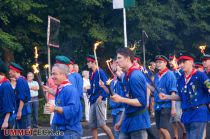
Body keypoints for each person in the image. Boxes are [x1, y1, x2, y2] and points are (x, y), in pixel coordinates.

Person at [159, 53, 210, 139]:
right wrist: (167, 96)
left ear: (191, 62)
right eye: (180, 62)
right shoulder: (180, 79)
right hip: (187, 114)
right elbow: (180, 96)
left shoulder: (201, 75)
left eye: (184, 62)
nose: (181, 64)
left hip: (199, 113)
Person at [111, 48, 151, 139]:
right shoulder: (126, 75)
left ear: (128, 58)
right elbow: (128, 102)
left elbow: (141, 102)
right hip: (127, 122)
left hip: (138, 123)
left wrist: (120, 99)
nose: (116, 61)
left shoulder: (135, 76)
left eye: (119, 58)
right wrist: (120, 121)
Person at [45, 63, 83, 138]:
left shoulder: (69, 89)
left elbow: (73, 109)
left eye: (54, 74)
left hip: (69, 131)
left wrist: (54, 108)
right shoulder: (61, 88)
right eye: (52, 74)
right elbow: (62, 98)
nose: (52, 77)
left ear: (63, 75)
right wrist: (49, 90)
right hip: (60, 129)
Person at [86, 54, 114, 139]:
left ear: (93, 62)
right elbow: (94, 88)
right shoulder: (92, 73)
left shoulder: (100, 72)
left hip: (99, 100)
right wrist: (88, 90)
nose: (87, 63)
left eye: (88, 62)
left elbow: (108, 86)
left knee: (102, 124)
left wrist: (102, 96)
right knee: (92, 125)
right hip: (93, 100)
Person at [99, 59, 125, 139]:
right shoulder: (113, 79)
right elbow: (110, 93)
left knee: (119, 133)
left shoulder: (123, 78)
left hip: (121, 109)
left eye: (116, 64)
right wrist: (103, 86)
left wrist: (117, 72)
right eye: (113, 64)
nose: (112, 66)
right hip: (114, 110)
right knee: (116, 132)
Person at [153, 55, 177, 139]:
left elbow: (173, 92)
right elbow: (154, 89)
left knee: (163, 128)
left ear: (165, 63)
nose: (158, 64)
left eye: (160, 62)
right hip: (157, 105)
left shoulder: (170, 74)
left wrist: (173, 107)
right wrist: (146, 83)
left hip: (166, 105)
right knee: (159, 128)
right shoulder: (156, 75)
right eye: (156, 62)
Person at [9, 62, 31, 139]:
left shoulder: (20, 81)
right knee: (20, 133)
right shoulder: (21, 80)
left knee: (23, 134)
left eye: (10, 70)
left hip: (22, 110)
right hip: (23, 109)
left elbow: (22, 97)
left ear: (14, 71)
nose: (9, 72)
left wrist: (19, 111)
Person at [168, 55, 186, 139]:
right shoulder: (170, 71)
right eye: (169, 60)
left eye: (172, 60)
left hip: (178, 96)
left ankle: (185, 130)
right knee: (173, 119)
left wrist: (178, 71)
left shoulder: (182, 70)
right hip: (171, 95)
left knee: (177, 117)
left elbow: (184, 79)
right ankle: (176, 136)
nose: (170, 62)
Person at [0, 59, 16, 139]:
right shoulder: (2, 84)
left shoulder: (5, 86)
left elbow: (8, 105)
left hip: (4, 120)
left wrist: (5, 122)